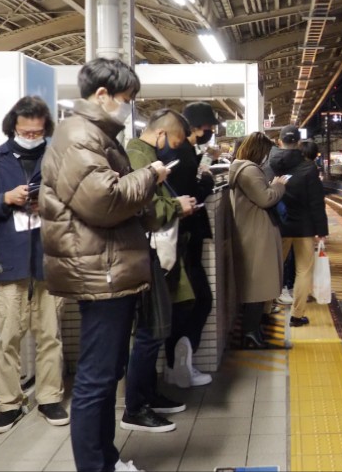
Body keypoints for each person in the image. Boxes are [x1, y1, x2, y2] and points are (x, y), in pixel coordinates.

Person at [39, 58, 170, 472]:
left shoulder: (93, 135)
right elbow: (105, 201)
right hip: (99, 270)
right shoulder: (79, 136)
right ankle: (95, 466)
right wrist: (150, 174)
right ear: (102, 95)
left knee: (105, 373)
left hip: (106, 266)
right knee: (96, 380)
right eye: (126, 99)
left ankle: (106, 460)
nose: (128, 107)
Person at [0, 96, 68, 434]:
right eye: (26, 131)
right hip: (6, 264)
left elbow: (74, 202)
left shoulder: (56, 158)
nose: (32, 136)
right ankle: (9, 403)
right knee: (7, 338)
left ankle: (50, 397)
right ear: (14, 127)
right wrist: (5, 199)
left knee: (50, 335)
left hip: (48, 262)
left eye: (38, 131)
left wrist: (48, 206)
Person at [121, 109, 198, 433]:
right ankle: (135, 408)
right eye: (176, 142)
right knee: (150, 333)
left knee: (154, 330)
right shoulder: (139, 157)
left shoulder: (146, 155)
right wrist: (176, 206)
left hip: (152, 254)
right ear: (163, 135)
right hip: (146, 254)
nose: (176, 148)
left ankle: (148, 395)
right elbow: (145, 207)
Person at [161, 102, 217, 389]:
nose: (210, 132)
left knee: (192, 302)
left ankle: (179, 364)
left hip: (182, 239)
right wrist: (206, 181)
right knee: (195, 302)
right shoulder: (181, 153)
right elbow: (191, 197)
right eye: (209, 127)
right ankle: (179, 365)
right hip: (184, 240)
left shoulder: (180, 152)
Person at [227, 132, 288, 349]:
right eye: (265, 152)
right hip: (256, 234)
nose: (266, 157)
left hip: (252, 231)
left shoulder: (240, 167)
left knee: (257, 284)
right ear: (258, 150)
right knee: (257, 286)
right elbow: (266, 198)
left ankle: (253, 330)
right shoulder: (249, 170)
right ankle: (251, 334)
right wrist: (279, 185)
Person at [272, 129, 328, 327]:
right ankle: (297, 316)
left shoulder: (272, 164)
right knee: (303, 271)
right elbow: (316, 202)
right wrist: (321, 231)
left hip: (280, 225)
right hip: (304, 227)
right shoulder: (309, 168)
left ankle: (264, 310)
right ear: (298, 143)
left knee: (274, 269)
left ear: (279, 141)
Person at [266, 127, 304, 305]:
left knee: (279, 257)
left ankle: (277, 291)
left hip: (275, 215)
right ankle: (288, 289)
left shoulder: (269, 161)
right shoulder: (304, 162)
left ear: (279, 141)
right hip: (297, 216)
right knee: (297, 259)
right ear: (298, 142)